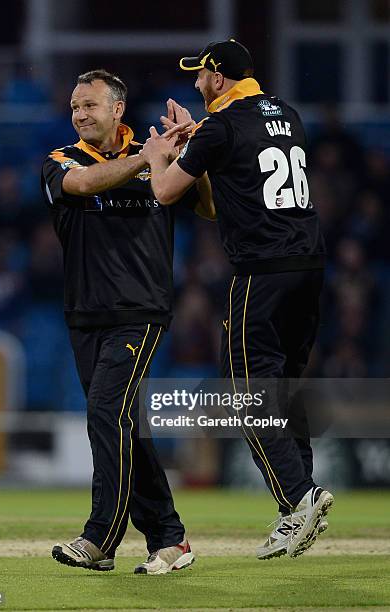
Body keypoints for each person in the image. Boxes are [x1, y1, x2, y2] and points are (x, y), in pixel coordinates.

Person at [141, 39, 334, 560]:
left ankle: (299, 498)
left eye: (201, 75)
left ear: (219, 77)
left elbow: (163, 192)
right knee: (285, 391)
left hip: (262, 273)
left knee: (249, 396)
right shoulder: (286, 114)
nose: (197, 84)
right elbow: (220, 202)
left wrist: (165, 154)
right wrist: (196, 150)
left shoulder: (219, 126)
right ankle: (295, 511)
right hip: (309, 267)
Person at [41, 69, 212, 575]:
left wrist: (193, 155)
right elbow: (86, 183)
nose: (79, 114)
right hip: (84, 314)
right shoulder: (61, 160)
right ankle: (169, 538)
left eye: (90, 105)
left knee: (105, 412)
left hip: (139, 313)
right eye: (75, 105)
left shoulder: (159, 156)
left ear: (118, 110)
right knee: (124, 426)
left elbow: (208, 207)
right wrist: (150, 156)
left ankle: (100, 539)